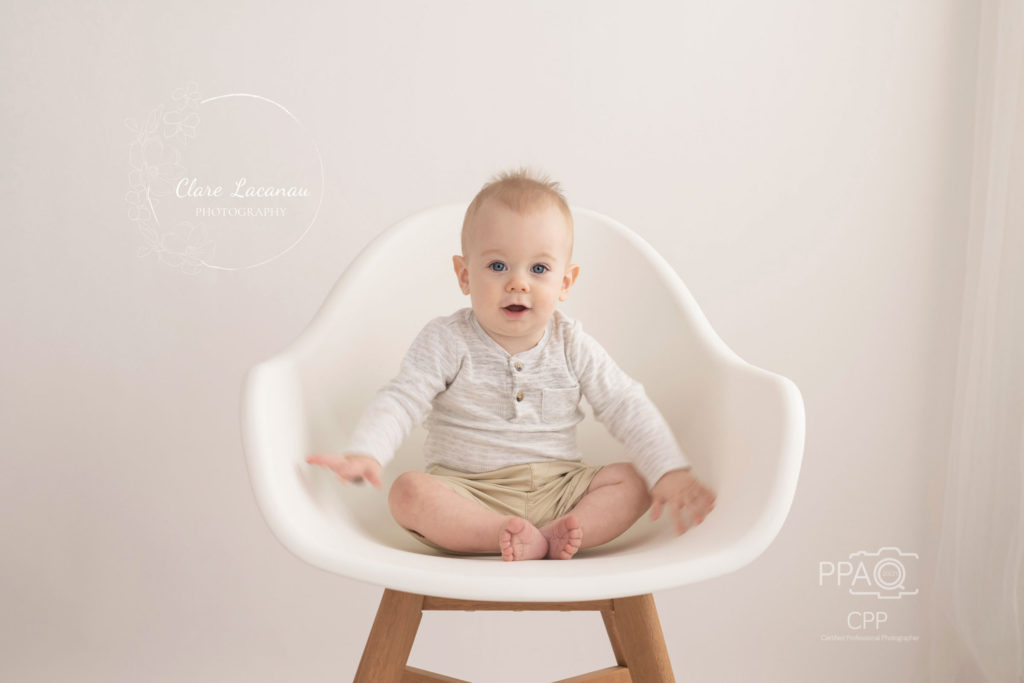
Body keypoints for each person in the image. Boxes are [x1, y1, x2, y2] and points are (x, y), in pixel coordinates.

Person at [307, 168, 716, 561]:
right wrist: (367, 451)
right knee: (408, 492)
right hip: (468, 492)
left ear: (565, 283)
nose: (518, 283)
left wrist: (668, 472)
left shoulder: (572, 343)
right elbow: (403, 398)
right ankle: (498, 532)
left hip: (560, 490)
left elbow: (625, 403)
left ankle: (565, 531)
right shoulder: (446, 339)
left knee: (635, 481)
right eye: (497, 266)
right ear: (464, 275)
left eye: (539, 269)